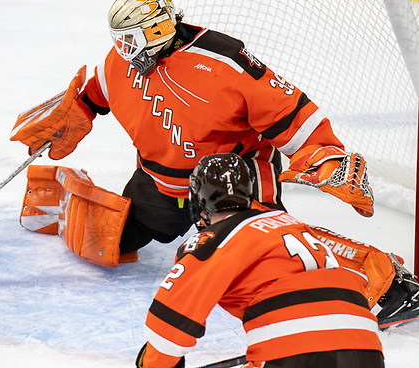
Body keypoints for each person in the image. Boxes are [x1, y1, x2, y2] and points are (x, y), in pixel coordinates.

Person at [10, 0, 419, 325]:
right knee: (113, 239)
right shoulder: (123, 61)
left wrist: (324, 155)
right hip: (159, 181)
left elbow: (290, 110)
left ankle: (387, 283)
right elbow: (96, 85)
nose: (123, 49)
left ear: (157, 30)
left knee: (264, 255)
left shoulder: (225, 63)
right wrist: (76, 108)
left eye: (132, 39)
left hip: (231, 181)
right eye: (119, 39)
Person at [136, 153, 384, 368]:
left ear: (199, 201)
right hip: (368, 348)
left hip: (293, 352)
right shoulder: (292, 224)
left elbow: (168, 328)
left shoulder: (214, 239)